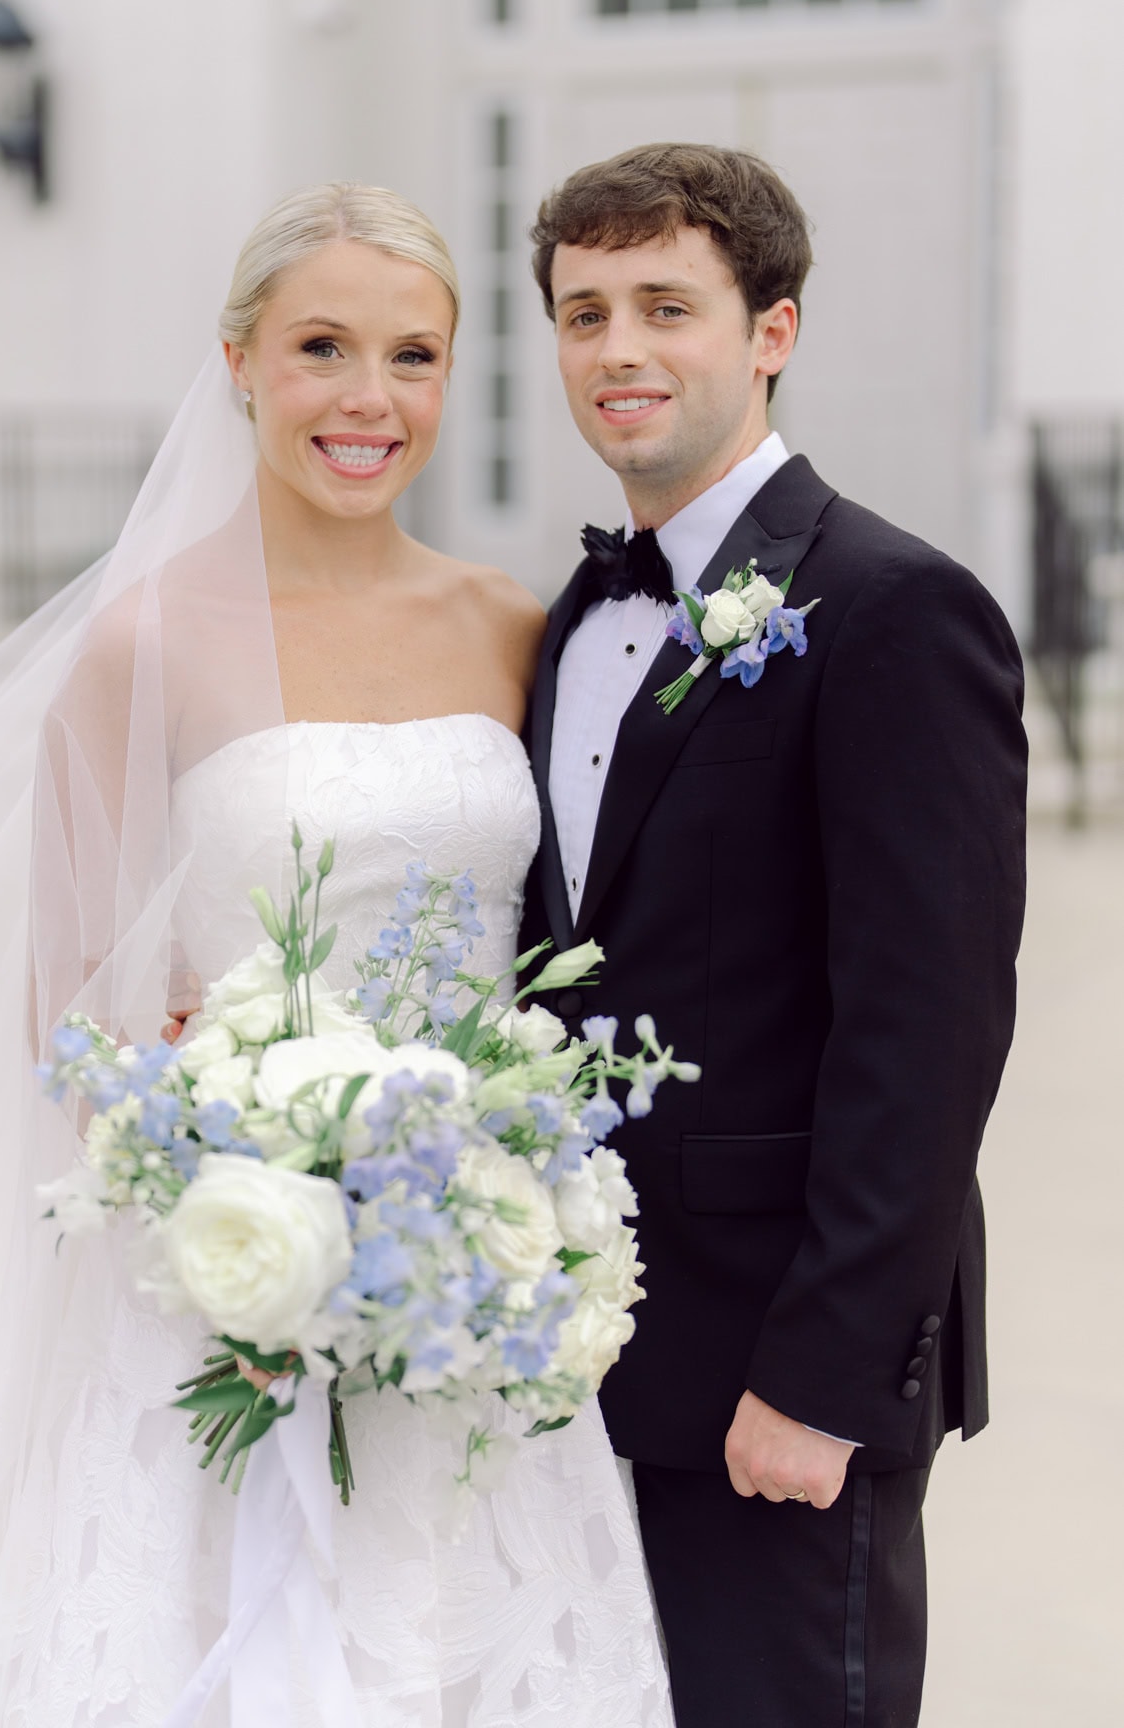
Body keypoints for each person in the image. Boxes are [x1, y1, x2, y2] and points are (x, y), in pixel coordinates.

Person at [0, 183, 671, 1726]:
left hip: (478, 1282)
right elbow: (75, 1025)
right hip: (229, 1291)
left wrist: (490, 1206)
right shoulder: (144, 645)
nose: (368, 399)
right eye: (321, 347)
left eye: (414, 356)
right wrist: (266, 1210)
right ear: (236, 362)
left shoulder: (515, 625)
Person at [520, 142, 1028, 1728]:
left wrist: (816, 1382)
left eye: (665, 305)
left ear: (771, 331)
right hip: (570, 1364)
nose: (617, 350)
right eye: (582, 311)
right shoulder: (569, 622)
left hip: (774, 1380)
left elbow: (928, 1031)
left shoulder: (891, 607)